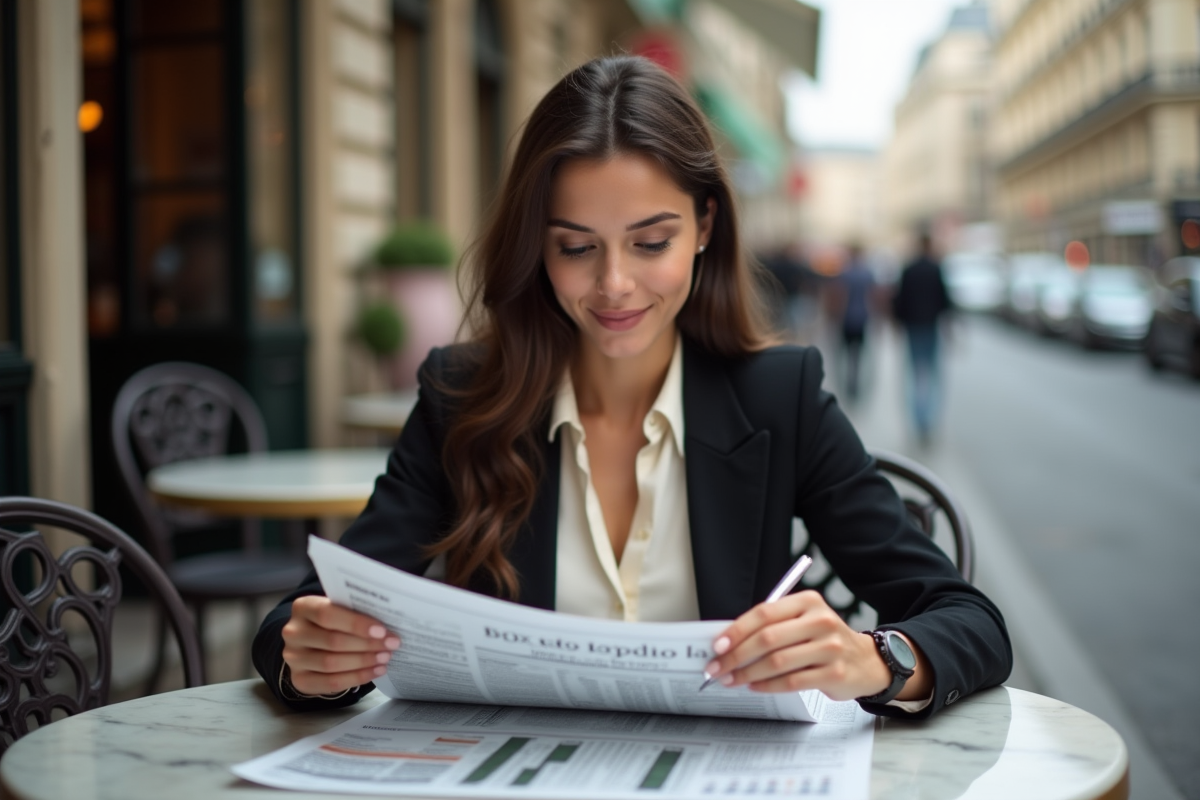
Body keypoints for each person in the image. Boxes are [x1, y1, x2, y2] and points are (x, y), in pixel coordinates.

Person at [253, 56, 1010, 719]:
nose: (614, 285)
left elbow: (965, 619)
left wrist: (876, 660)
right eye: (576, 247)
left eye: (651, 242)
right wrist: (312, 662)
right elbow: (297, 621)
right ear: (536, 247)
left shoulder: (782, 396)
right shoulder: (463, 396)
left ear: (706, 224)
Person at [891, 233, 954, 445]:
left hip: (913, 328)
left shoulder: (908, 269)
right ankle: (928, 420)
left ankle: (918, 420)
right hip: (930, 327)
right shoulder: (935, 268)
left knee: (915, 375)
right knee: (933, 376)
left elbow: (899, 300)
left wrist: (898, 324)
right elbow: (945, 301)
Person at [834, 243, 876, 403]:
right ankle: (855, 384)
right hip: (862, 318)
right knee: (857, 355)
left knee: (845, 353)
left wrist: (836, 315)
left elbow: (840, 295)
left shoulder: (845, 273)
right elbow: (874, 296)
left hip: (847, 318)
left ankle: (849, 384)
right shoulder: (866, 273)